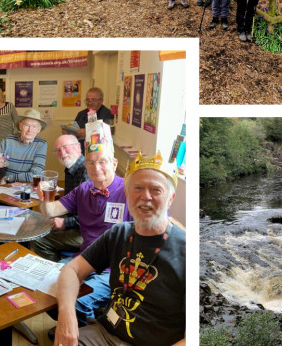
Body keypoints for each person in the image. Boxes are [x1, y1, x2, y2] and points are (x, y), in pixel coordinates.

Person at [54, 152, 184, 346]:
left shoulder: (186, 251)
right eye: (137, 188)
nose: (145, 196)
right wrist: (67, 317)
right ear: (127, 193)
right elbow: (71, 270)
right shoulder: (119, 234)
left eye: (156, 190)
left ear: (170, 198)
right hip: (104, 333)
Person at [38, 143, 132, 326]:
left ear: (114, 163)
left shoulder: (128, 190)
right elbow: (51, 211)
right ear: (85, 166)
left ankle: (86, 333)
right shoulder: (83, 189)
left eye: (102, 162)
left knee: (77, 302)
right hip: (84, 260)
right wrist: (45, 197)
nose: (96, 168)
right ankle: (78, 327)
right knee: (44, 290)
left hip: (115, 269)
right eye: (90, 163)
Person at [30, 134, 88, 262]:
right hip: (75, 222)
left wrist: (65, 223)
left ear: (78, 147)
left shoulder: (86, 172)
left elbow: (91, 216)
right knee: (37, 225)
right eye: (58, 150)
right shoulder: (71, 169)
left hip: (86, 231)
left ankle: (53, 274)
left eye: (66, 147)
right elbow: (71, 204)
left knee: (39, 240)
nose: (62, 152)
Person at [0, 109, 48, 183]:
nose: (30, 130)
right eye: (27, 125)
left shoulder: (41, 144)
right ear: (20, 126)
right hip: (4, 187)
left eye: (34, 126)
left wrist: (8, 178)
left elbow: (35, 175)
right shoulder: (7, 140)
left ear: (39, 129)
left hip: (26, 187)